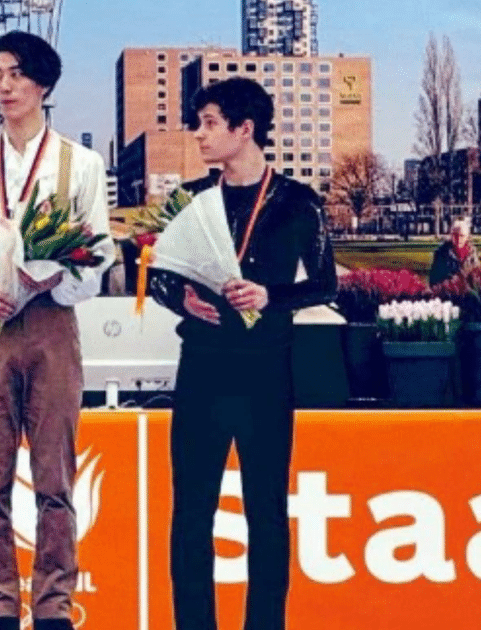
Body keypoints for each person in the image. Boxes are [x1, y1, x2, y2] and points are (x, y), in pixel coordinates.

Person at [0, 30, 114, 630]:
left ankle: (55, 605)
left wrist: (52, 281)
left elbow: (99, 252)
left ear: (44, 85)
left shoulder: (80, 164)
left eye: (16, 74)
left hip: (53, 325)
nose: (4, 86)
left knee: (57, 475)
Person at [147, 77, 337, 630]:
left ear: (244, 129)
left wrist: (270, 296)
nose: (198, 135)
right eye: (198, 123)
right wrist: (178, 297)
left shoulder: (299, 203)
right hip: (202, 365)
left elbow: (326, 285)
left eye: (208, 123)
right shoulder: (189, 200)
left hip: (266, 369)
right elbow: (157, 274)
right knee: (190, 515)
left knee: (267, 514)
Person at [428, 217, 481, 285]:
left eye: (462, 236)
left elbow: (478, 277)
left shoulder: (473, 254)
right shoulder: (441, 253)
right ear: (451, 235)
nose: (458, 239)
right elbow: (434, 279)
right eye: (455, 235)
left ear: (467, 237)